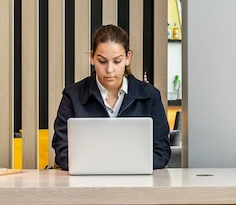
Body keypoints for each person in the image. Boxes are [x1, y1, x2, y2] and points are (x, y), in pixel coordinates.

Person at [52, 24, 171, 170]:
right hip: (87, 181)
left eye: (117, 61)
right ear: (92, 57)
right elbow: (62, 151)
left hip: (136, 180)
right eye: (102, 61)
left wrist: (114, 165)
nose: (109, 69)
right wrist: (110, 165)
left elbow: (161, 152)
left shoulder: (150, 96)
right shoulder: (73, 96)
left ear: (127, 58)